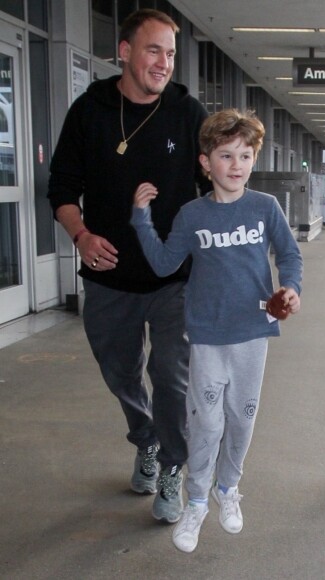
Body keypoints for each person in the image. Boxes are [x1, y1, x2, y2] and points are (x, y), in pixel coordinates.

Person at [47, 9, 210, 523]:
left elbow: (214, 189)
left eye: (170, 53)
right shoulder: (90, 110)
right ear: (124, 51)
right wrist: (81, 234)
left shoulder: (187, 113)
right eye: (153, 50)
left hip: (174, 278)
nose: (164, 63)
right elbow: (60, 188)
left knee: (171, 375)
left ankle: (173, 467)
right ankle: (147, 440)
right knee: (120, 372)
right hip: (109, 276)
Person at [130, 109, 303, 554]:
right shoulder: (192, 214)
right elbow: (165, 263)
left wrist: (290, 287)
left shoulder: (265, 207)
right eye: (225, 155)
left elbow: (289, 254)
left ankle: (228, 488)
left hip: (252, 332)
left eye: (245, 155)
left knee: (242, 417)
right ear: (206, 162)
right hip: (206, 334)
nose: (236, 165)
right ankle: (198, 499)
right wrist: (141, 220)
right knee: (205, 420)